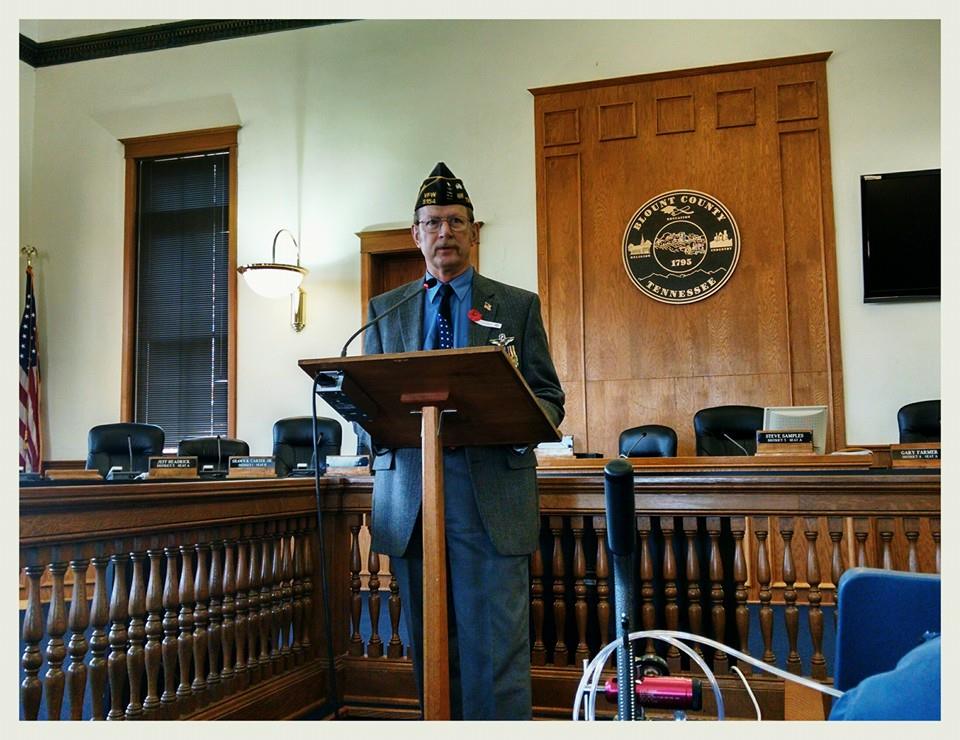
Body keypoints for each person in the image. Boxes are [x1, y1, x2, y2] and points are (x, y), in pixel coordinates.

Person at [361, 162, 565, 720]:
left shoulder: (516, 306)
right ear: (415, 235)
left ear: (474, 233)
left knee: (495, 646)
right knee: (431, 643)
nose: (444, 232)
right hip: (411, 494)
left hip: (487, 492)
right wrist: (366, 416)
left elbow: (549, 397)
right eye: (432, 223)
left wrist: (514, 416)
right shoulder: (386, 311)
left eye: (455, 221)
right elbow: (365, 402)